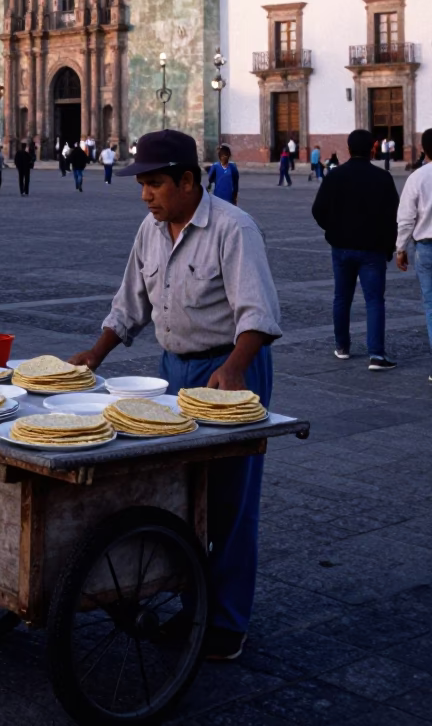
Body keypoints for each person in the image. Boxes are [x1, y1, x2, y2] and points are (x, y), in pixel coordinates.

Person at [69, 129, 282, 661]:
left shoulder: (234, 229)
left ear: (189, 181)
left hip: (232, 369)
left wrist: (235, 367)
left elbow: (257, 314)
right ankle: (193, 609)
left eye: (156, 184)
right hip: (175, 370)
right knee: (184, 497)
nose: (146, 195)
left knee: (230, 502)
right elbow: (129, 305)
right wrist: (94, 355)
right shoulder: (151, 229)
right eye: (142, 184)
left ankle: (227, 624)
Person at [312, 128, 399, 369]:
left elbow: (317, 210)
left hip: (341, 247)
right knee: (374, 300)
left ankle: (342, 347)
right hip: (373, 249)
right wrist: (389, 246)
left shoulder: (335, 176)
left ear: (348, 149)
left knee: (341, 298)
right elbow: (394, 217)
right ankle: (377, 355)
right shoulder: (383, 178)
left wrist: (333, 230)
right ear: (373, 148)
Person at [396, 127, 432, 380]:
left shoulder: (418, 178)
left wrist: (401, 248)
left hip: (426, 248)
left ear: (423, 150)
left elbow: (407, 218)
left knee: (431, 305)